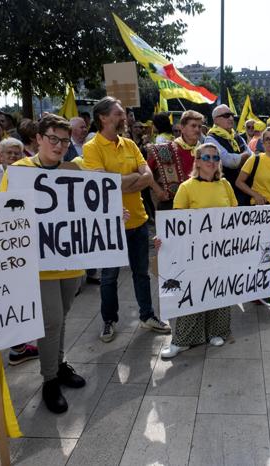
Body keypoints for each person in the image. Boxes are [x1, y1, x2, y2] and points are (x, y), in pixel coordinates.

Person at [0, 114, 86, 412]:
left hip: (71, 260)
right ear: (38, 138)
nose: (59, 145)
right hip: (39, 263)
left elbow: (87, 210)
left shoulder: (74, 169)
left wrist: (111, 217)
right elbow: (5, 214)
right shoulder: (19, 171)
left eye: (64, 140)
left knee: (62, 314)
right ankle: (49, 380)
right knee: (50, 320)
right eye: (53, 139)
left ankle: (59, 364)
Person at [83, 97, 170, 343]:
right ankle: (108, 320)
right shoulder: (92, 148)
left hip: (139, 221)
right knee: (109, 277)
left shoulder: (130, 144)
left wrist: (120, 181)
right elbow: (102, 186)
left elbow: (148, 176)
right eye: (120, 114)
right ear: (103, 118)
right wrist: (132, 179)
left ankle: (147, 315)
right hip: (111, 225)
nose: (125, 118)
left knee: (141, 273)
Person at [159, 143, 237, 358]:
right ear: (197, 161)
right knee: (191, 293)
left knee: (219, 290)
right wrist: (162, 240)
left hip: (221, 251)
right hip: (194, 253)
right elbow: (175, 223)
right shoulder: (187, 187)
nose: (211, 162)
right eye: (206, 158)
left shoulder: (226, 186)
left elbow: (237, 220)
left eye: (215, 158)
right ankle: (182, 341)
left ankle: (216, 332)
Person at [236, 126, 270, 230]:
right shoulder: (255, 159)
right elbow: (239, 182)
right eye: (267, 139)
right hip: (259, 210)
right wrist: (255, 195)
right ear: (263, 142)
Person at [147, 110, 203, 211]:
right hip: (171, 205)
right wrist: (158, 191)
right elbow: (146, 173)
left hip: (200, 203)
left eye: (199, 126)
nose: (197, 130)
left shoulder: (206, 151)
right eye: (193, 126)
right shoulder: (164, 149)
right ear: (182, 128)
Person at [204, 104, 251, 201]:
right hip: (223, 193)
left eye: (231, 115)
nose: (230, 118)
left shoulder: (237, 137)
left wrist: (241, 158)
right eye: (226, 115)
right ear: (216, 120)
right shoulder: (211, 139)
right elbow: (230, 162)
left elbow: (252, 158)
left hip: (243, 190)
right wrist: (245, 156)